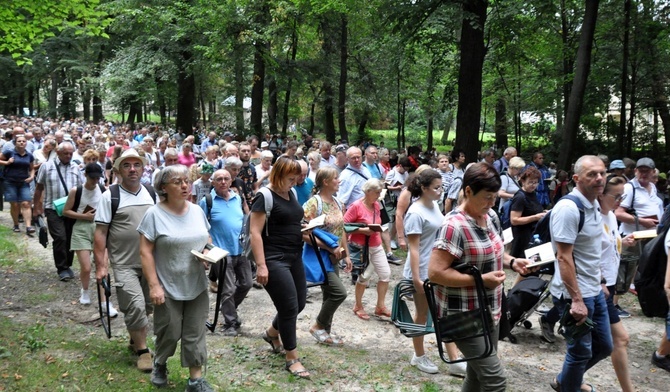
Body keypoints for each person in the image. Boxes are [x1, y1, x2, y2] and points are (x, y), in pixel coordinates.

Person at [428, 162, 533, 391]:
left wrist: (512, 261)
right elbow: (435, 273)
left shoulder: (491, 216)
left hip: (491, 309)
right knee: (495, 381)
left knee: (476, 377)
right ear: (468, 191)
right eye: (487, 197)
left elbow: (494, 250)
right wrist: (480, 281)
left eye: (495, 197)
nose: (492, 202)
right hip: (462, 314)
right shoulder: (453, 226)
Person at [138, 165, 213, 391]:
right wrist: (154, 286)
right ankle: (160, 362)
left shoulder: (197, 210)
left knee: (195, 331)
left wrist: (208, 252)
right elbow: (145, 251)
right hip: (167, 284)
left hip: (197, 283)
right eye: (177, 182)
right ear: (163, 188)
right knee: (169, 331)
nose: (184, 185)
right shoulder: (154, 214)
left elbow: (206, 238)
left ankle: (195, 380)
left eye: (186, 181)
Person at [548, 155, 613, 392]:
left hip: (594, 289)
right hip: (574, 294)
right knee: (580, 351)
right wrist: (576, 300)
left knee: (604, 346)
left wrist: (601, 281)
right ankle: (570, 386)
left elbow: (591, 251)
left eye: (602, 173)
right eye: (592, 174)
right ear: (576, 178)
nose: (599, 178)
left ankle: (566, 381)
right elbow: (563, 257)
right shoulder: (568, 208)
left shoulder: (594, 202)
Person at [94, 149, 156, 372]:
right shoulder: (110, 195)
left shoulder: (152, 192)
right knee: (136, 305)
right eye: (127, 165)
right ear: (119, 170)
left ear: (142, 168)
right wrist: (101, 266)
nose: (132, 169)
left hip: (150, 262)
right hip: (123, 263)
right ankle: (142, 351)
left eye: (136, 165)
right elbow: (100, 233)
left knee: (148, 305)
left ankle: (134, 338)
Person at [249, 156, 310, 379]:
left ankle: (272, 333)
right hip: (274, 258)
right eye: (291, 178)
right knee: (289, 306)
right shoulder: (263, 196)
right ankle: (291, 357)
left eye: (297, 178)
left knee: (300, 302)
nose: (295, 182)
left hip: (294, 255)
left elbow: (291, 219)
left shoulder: (291, 193)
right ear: (278, 175)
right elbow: (255, 232)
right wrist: (262, 266)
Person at [403, 170, 466, 376]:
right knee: (422, 314)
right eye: (437, 188)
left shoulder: (434, 206)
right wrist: (416, 277)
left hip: (436, 268)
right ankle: (418, 355)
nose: (441, 191)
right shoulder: (415, 212)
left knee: (442, 313)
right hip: (421, 270)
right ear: (423, 188)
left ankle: (454, 358)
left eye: (442, 187)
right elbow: (414, 248)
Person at [302, 166, 352, 346]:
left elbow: (341, 230)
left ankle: (325, 334)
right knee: (339, 293)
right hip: (319, 256)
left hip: (335, 255)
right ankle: (318, 326)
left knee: (329, 294)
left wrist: (345, 254)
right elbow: (304, 232)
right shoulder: (314, 203)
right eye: (336, 178)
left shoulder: (338, 202)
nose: (339, 181)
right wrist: (329, 248)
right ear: (325, 182)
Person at [200, 169, 251, 336]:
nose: (223, 182)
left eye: (226, 179)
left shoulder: (238, 198)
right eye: (219, 179)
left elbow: (246, 218)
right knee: (227, 289)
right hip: (221, 252)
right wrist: (208, 248)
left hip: (240, 249)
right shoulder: (207, 201)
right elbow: (201, 228)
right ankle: (231, 323)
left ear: (231, 181)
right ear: (213, 182)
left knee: (246, 283)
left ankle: (228, 310)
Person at [597, 175, 636, 392]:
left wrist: (624, 241)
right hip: (597, 287)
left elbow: (610, 244)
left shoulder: (611, 216)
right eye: (617, 196)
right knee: (618, 339)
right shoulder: (592, 218)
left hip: (608, 286)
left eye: (623, 196)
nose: (621, 201)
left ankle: (566, 378)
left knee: (606, 342)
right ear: (601, 194)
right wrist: (599, 281)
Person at [614, 157, 662, 317]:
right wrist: (642, 221)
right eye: (640, 170)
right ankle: (613, 305)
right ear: (635, 171)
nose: (643, 173)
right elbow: (618, 213)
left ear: (653, 172)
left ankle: (648, 303)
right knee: (625, 271)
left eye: (647, 171)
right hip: (632, 237)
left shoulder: (652, 188)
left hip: (650, 236)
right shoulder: (629, 188)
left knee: (644, 272)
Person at [33, 142, 82, 281]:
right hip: (52, 208)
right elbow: (39, 188)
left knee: (70, 237)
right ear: (58, 153)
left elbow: (81, 189)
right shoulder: (46, 166)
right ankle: (62, 268)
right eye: (65, 153)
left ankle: (67, 264)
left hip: (71, 209)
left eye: (71, 153)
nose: (68, 156)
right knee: (60, 237)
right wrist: (36, 208)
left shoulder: (75, 167)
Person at [344, 179, 392, 320]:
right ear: (368, 191)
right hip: (361, 248)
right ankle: (358, 305)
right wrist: (363, 230)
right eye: (377, 192)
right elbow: (344, 226)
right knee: (364, 277)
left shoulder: (377, 205)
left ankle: (380, 306)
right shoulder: (356, 206)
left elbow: (381, 223)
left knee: (386, 274)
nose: (379, 195)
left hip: (376, 246)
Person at [62, 163, 104, 305]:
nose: (95, 181)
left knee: (101, 265)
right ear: (85, 175)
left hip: (99, 228)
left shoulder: (103, 189)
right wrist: (84, 216)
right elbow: (66, 211)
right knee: (86, 267)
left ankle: (103, 298)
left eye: (98, 178)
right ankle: (85, 291)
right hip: (80, 228)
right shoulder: (77, 190)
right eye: (93, 178)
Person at [509, 166, 547, 259]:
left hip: (532, 234)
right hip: (522, 237)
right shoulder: (520, 197)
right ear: (523, 181)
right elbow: (514, 220)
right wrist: (535, 217)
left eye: (535, 182)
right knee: (524, 265)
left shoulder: (533, 194)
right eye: (530, 182)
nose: (533, 185)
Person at [0, 135, 35, 234]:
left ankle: (28, 226)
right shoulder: (9, 152)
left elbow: (32, 168)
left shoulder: (29, 155)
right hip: (10, 181)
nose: (21, 143)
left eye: (24, 141)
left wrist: (31, 177)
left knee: (26, 203)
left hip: (24, 182)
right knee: (14, 204)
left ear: (26, 143)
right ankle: (16, 224)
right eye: (19, 141)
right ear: (15, 143)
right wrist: (7, 162)